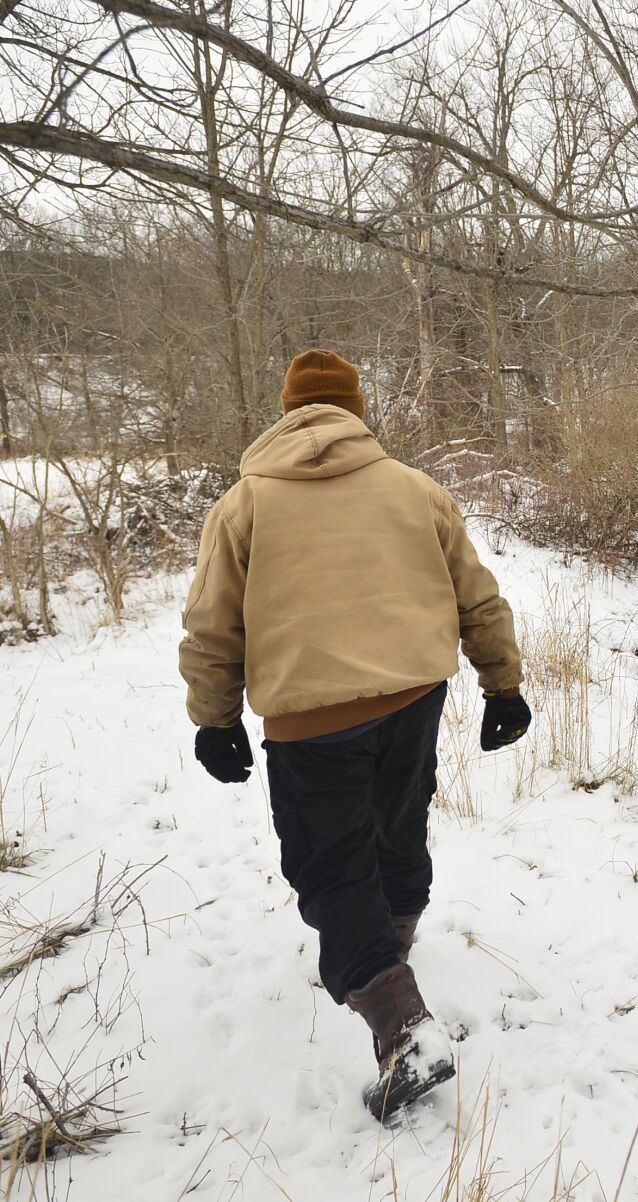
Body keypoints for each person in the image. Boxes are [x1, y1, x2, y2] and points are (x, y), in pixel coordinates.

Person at [178, 350, 532, 1119]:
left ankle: (400, 1021)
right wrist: (503, 685)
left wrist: (215, 718)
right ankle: (389, 947)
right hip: (413, 697)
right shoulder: (417, 491)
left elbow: (213, 626)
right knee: (397, 828)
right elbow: (479, 596)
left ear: (286, 411)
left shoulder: (243, 506)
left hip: (312, 719)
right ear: (356, 410)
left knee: (331, 864)